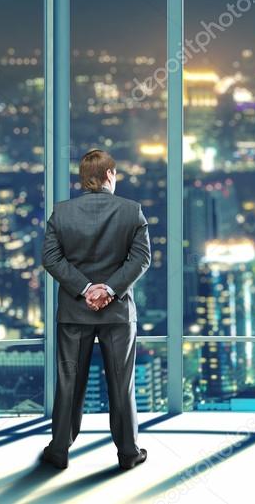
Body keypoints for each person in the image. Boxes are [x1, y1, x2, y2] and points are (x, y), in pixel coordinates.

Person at [40, 149, 152, 471]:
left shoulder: (61, 213)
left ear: (83, 178)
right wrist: (109, 289)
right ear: (109, 175)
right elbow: (140, 259)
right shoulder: (132, 211)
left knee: (69, 382)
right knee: (121, 384)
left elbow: (51, 259)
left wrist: (86, 289)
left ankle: (59, 451)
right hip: (117, 315)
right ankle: (129, 453)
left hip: (74, 313)